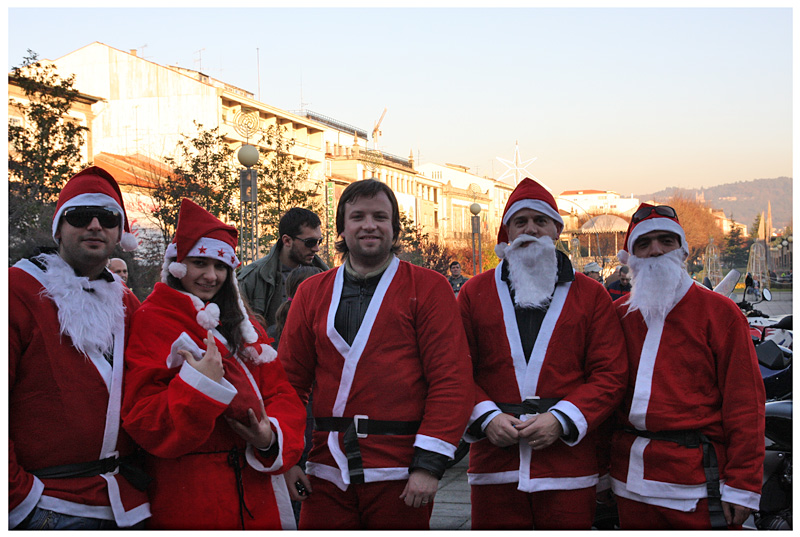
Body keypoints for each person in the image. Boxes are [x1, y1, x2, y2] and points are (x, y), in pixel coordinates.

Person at [278, 179, 473, 530]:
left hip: (400, 471)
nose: (369, 224)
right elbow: (289, 383)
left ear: (394, 227)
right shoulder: (311, 292)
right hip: (325, 469)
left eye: (380, 216)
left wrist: (429, 465)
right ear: (342, 227)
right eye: (358, 216)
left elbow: (451, 380)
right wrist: (288, 458)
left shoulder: (428, 287)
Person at [121, 198, 307, 529]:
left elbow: (280, 392)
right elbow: (141, 416)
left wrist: (270, 438)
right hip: (190, 493)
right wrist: (199, 387)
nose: (211, 276)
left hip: (256, 489)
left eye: (220, 267)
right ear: (177, 265)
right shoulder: (153, 319)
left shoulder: (244, 325)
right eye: (199, 263)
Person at [457, 178, 628, 530]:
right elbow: (455, 370)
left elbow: (610, 373)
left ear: (557, 230)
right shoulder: (474, 293)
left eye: (540, 221)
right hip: (494, 463)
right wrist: (487, 417)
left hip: (567, 466)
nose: (530, 229)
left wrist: (561, 419)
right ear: (506, 233)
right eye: (520, 222)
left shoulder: (592, 295)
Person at [609, 203, 765, 530]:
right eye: (644, 243)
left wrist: (743, 484)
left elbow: (746, 403)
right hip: (629, 481)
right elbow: (604, 394)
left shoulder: (720, 313)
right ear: (631, 256)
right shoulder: (616, 315)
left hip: (698, 483)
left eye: (666, 240)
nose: (655, 250)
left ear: (683, 250)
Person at [9, 166, 149, 529]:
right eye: (80, 215)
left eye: (107, 217)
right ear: (58, 227)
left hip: (126, 504)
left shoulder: (129, 302)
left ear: (120, 232)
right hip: (47, 505)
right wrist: (19, 499)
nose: (94, 225)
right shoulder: (15, 290)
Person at [238, 208, 329, 332]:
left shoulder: (324, 277)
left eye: (319, 241)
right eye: (310, 242)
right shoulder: (253, 277)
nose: (316, 248)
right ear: (287, 240)